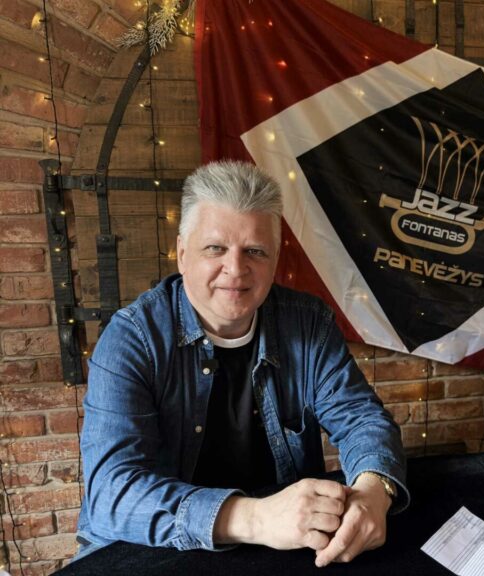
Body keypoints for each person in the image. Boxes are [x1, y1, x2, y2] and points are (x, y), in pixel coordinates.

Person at [76, 160, 409, 568]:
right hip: (151, 552)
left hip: (275, 549)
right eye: (215, 248)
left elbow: (362, 419)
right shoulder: (131, 339)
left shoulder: (309, 323)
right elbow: (111, 494)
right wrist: (256, 517)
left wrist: (375, 490)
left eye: (254, 251)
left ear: (275, 259)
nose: (235, 269)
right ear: (182, 254)